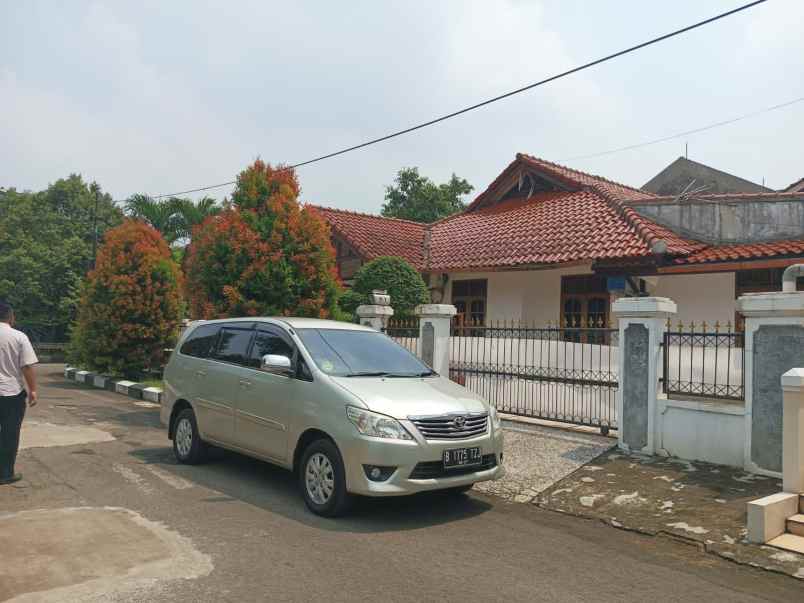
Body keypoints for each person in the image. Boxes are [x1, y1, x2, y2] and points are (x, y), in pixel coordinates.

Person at [0, 301, 38, 485]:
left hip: (10, 392)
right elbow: (27, 366)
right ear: (10, 316)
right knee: (10, 433)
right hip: (11, 394)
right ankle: (5, 473)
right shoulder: (18, 336)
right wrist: (33, 390)